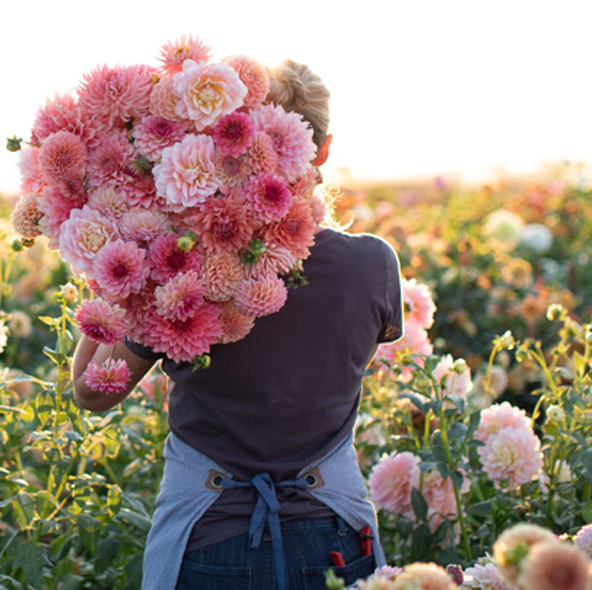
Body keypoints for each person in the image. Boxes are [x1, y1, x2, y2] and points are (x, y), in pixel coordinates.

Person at [71, 60, 404, 590]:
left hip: (209, 534)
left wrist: (115, 261)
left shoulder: (185, 267)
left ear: (228, 138)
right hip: (336, 535)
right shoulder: (373, 265)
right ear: (323, 149)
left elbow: (92, 394)